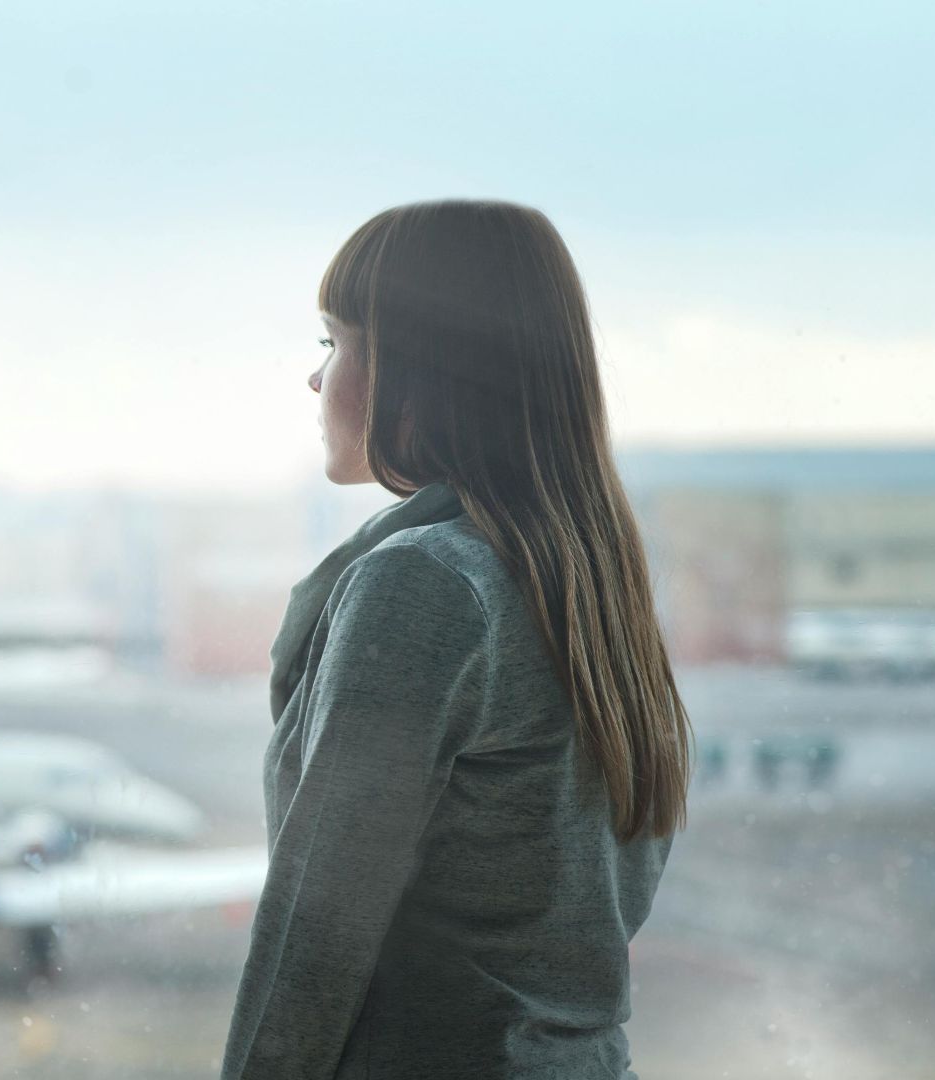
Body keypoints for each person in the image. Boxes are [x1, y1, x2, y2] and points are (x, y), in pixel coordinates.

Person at [220, 199, 695, 1079]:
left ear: (417, 366)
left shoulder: (425, 583)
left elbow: (316, 932)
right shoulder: (583, 581)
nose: (317, 379)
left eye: (335, 341)